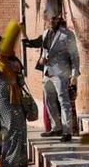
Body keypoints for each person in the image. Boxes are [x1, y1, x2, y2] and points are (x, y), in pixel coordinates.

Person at [23, 13, 80, 143]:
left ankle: (67, 131)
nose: (50, 22)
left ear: (58, 21)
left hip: (61, 73)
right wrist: (23, 34)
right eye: (50, 20)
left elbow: (74, 55)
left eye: (53, 20)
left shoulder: (67, 35)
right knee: (49, 100)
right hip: (47, 72)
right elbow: (34, 44)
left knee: (63, 101)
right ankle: (56, 127)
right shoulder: (45, 33)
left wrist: (74, 75)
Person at [0, 34, 28, 167]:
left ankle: (20, 162)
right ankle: (10, 163)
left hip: (16, 93)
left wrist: (17, 70)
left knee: (19, 127)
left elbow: (21, 77)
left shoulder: (12, 58)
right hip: (2, 95)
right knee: (11, 128)